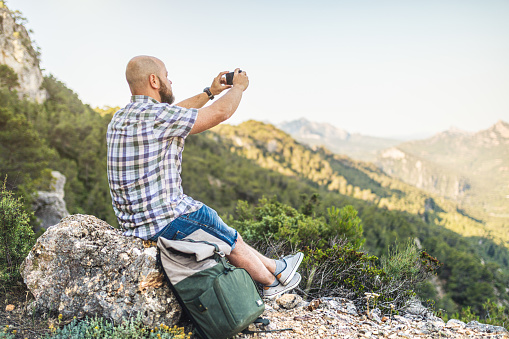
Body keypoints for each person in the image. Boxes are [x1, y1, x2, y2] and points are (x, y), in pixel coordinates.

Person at [106, 55, 302, 298]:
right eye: (166, 75)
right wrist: (238, 87)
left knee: (218, 227)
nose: (170, 80)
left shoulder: (122, 117)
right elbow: (221, 113)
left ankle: (277, 268)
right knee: (209, 221)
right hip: (161, 221)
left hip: (132, 224)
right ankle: (270, 283)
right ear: (154, 80)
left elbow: (176, 112)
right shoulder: (157, 116)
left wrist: (210, 91)